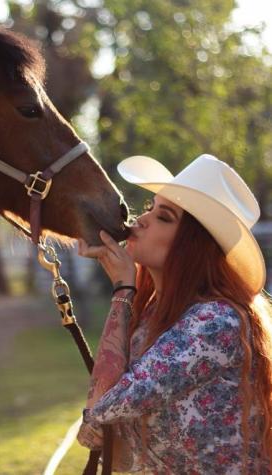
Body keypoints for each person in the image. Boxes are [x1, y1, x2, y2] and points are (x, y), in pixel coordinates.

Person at [77, 154, 272, 474]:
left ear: (193, 246)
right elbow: (97, 430)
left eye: (163, 217)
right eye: (151, 208)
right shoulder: (154, 317)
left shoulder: (216, 325)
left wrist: (123, 290)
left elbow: (102, 412)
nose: (142, 220)